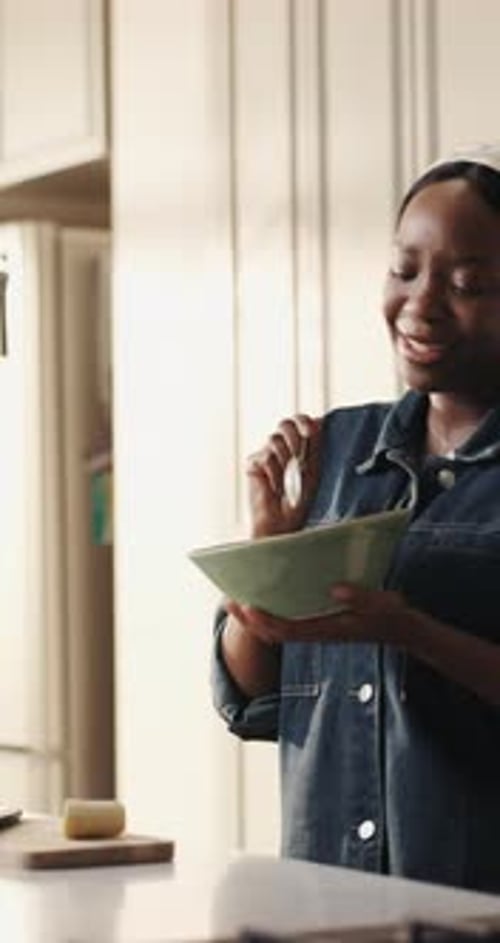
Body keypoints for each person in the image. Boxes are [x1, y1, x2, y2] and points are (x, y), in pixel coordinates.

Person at [211, 143, 500, 894]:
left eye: (467, 282)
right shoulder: (337, 448)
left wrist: (410, 629)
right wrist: (266, 563)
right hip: (324, 898)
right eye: (405, 270)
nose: (422, 304)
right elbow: (253, 698)